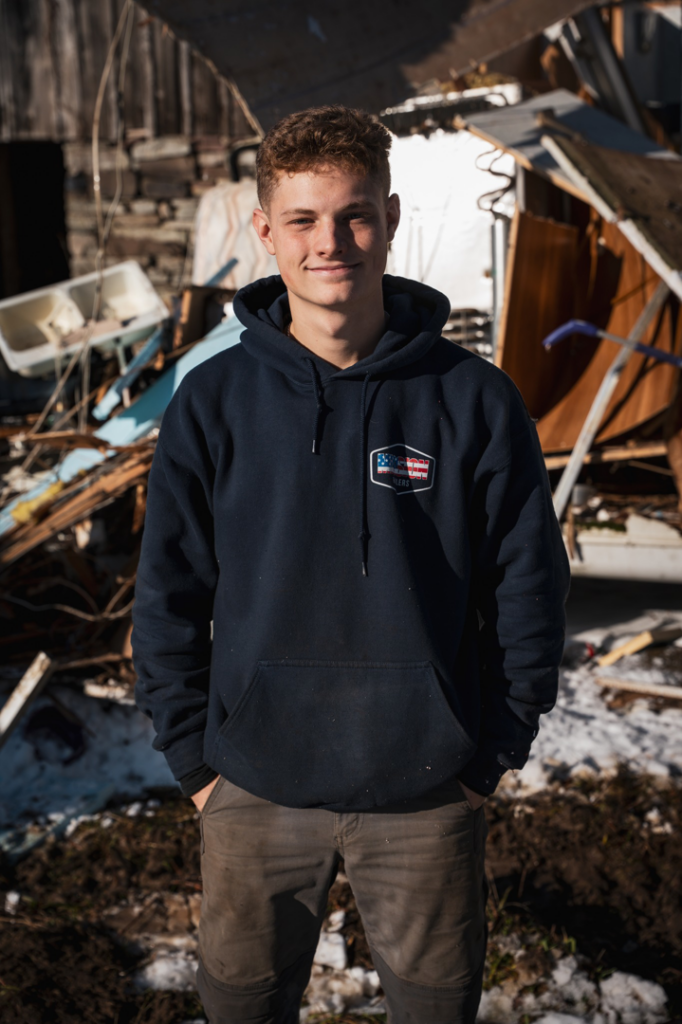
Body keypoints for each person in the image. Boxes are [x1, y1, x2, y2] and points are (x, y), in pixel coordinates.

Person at [132, 105, 570, 1024]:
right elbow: (169, 597)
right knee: (243, 1009)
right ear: (265, 230)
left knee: (433, 1011)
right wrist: (196, 763)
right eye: (302, 219)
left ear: (393, 217)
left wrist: (488, 757)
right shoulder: (212, 402)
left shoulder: (475, 402)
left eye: (355, 214)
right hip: (252, 788)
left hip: (428, 795)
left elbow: (529, 589)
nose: (331, 242)